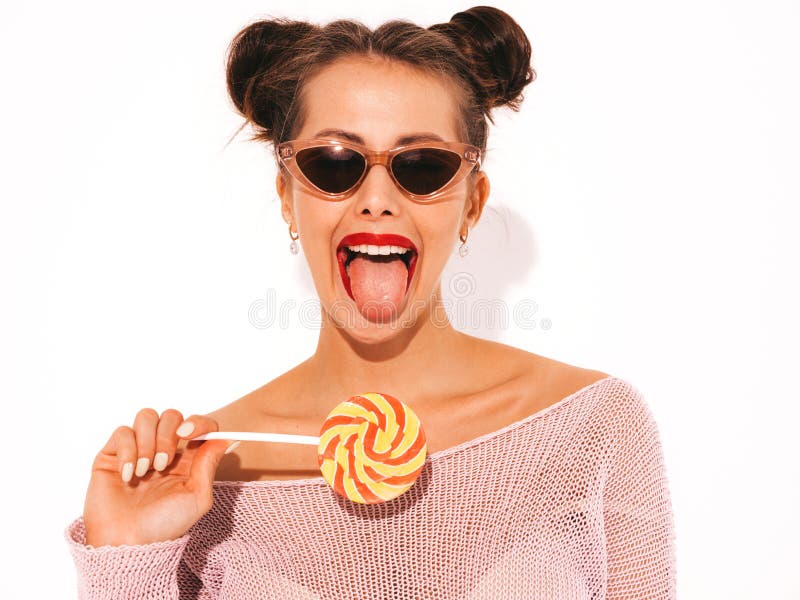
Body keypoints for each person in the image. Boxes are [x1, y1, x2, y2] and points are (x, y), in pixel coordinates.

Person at [64, 6, 677, 598]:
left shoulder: (592, 431)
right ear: (287, 195)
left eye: (423, 165)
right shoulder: (209, 472)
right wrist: (127, 558)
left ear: (472, 202)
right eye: (334, 164)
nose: (377, 198)